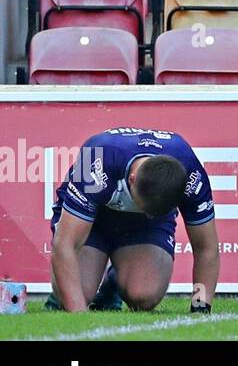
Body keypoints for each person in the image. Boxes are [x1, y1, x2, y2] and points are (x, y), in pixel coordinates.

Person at [49, 128, 219, 313]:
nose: (149, 214)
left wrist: (200, 306)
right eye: (145, 208)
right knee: (76, 292)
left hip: (142, 228)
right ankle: (66, 292)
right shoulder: (96, 158)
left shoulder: (192, 175)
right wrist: (77, 313)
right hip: (94, 219)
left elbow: (206, 247)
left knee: (144, 297)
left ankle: (114, 281)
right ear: (132, 178)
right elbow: (64, 245)